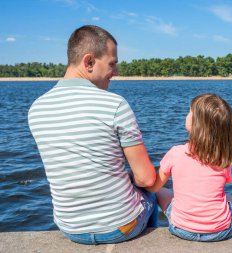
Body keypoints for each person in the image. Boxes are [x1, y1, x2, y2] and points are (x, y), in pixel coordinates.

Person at [28, 25, 157, 245]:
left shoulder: (36, 109)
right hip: (120, 226)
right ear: (89, 62)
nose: (115, 73)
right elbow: (146, 178)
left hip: (70, 229)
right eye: (112, 64)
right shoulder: (115, 105)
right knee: (151, 194)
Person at [147, 93, 232, 242]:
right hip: (221, 231)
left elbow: (153, 187)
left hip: (181, 229)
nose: (186, 115)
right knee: (231, 198)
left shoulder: (176, 153)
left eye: (189, 112)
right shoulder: (222, 158)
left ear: (195, 124)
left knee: (160, 192)